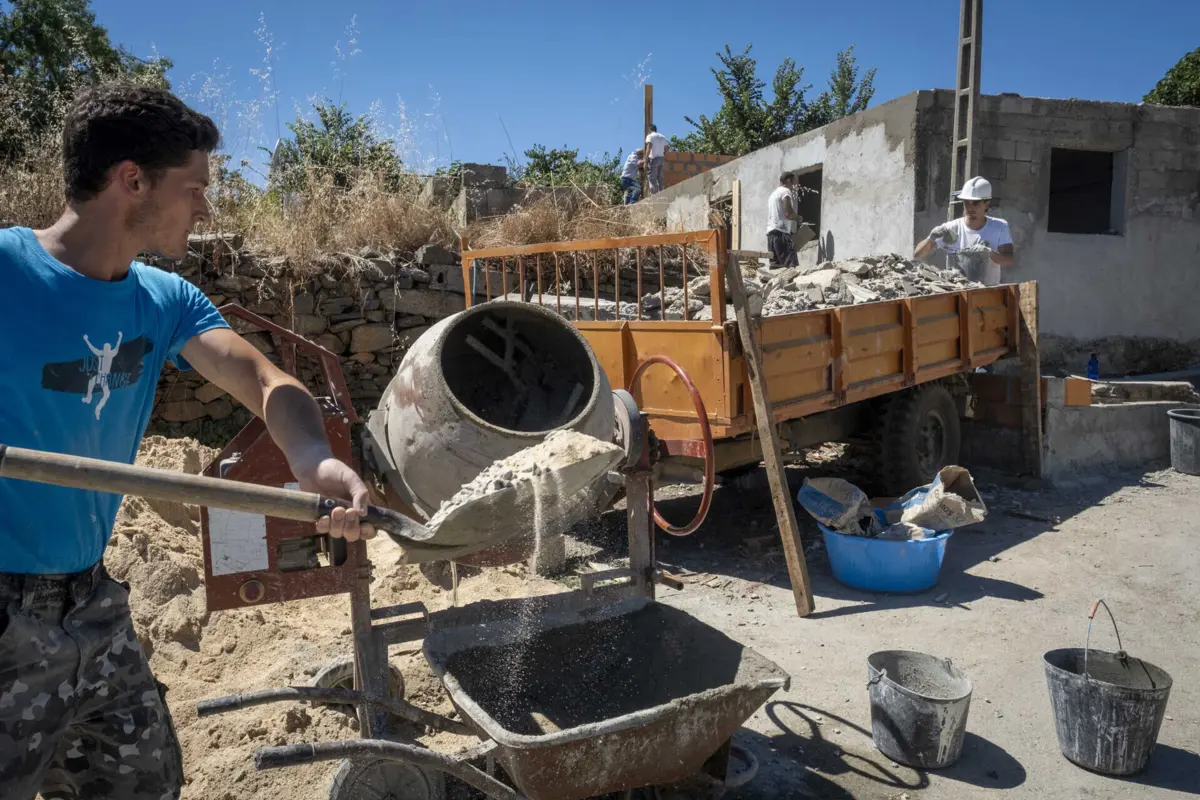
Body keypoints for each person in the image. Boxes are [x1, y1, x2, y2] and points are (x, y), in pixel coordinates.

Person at [0, 83, 374, 799]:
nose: (207, 205)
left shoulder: (162, 301)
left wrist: (311, 457)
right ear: (131, 179)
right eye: (195, 187)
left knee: (144, 782)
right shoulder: (7, 272)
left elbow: (266, 383)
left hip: (92, 604)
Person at [914, 176, 1014, 285]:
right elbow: (918, 255)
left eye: (975, 203)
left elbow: (1008, 260)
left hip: (987, 292)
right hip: (956, 292)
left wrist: (989, 253)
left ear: (987, 203)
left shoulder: (999, 227)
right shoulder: (951, 229)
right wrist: (931, 238)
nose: (970, 208)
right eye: (967, 202)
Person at [766, 172, 799, 267]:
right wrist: (799, 218)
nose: (794, 185)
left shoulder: (773, 195)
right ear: (788, 181)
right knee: (790, 265)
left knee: (776, 267)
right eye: (793, 182)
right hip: (781, 234)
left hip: (771, 234)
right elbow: (788, 213)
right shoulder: (785, 191)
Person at [644, 124, 668, 194]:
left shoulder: (650, 136)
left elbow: (648, 148)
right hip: (661, 159)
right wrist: (663, 155)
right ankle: (662, 193)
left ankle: (654, 195)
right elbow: (667, 148)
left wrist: (645, 162)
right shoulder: (662, 136)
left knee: (652, 178)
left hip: (654, 159)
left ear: (649, 130)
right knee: (660, 178)